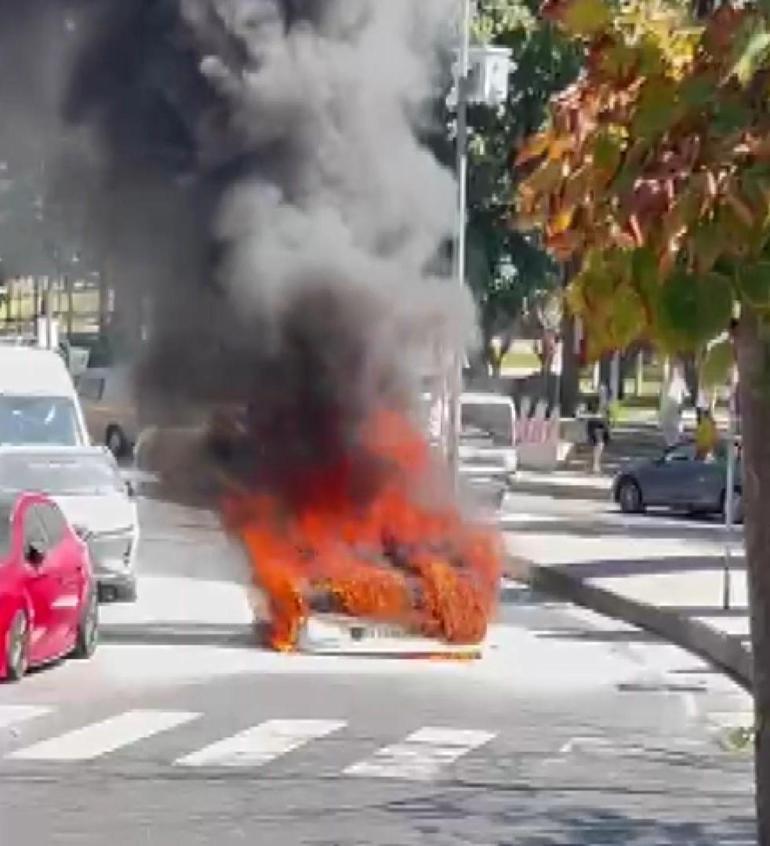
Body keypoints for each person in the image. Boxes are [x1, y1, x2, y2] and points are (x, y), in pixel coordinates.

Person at [585, 387, 610, 474]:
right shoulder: (593, 401)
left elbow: (607, 415)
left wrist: (608, 426)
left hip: (602, 424)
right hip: (594, 424)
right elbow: (587, 412)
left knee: (598, 445)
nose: (602, 394)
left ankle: (595, 464)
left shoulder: (606, 403)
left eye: (604, 392)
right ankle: (595, 465)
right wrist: (595, 416)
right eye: (601, 392)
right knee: (599, 444)